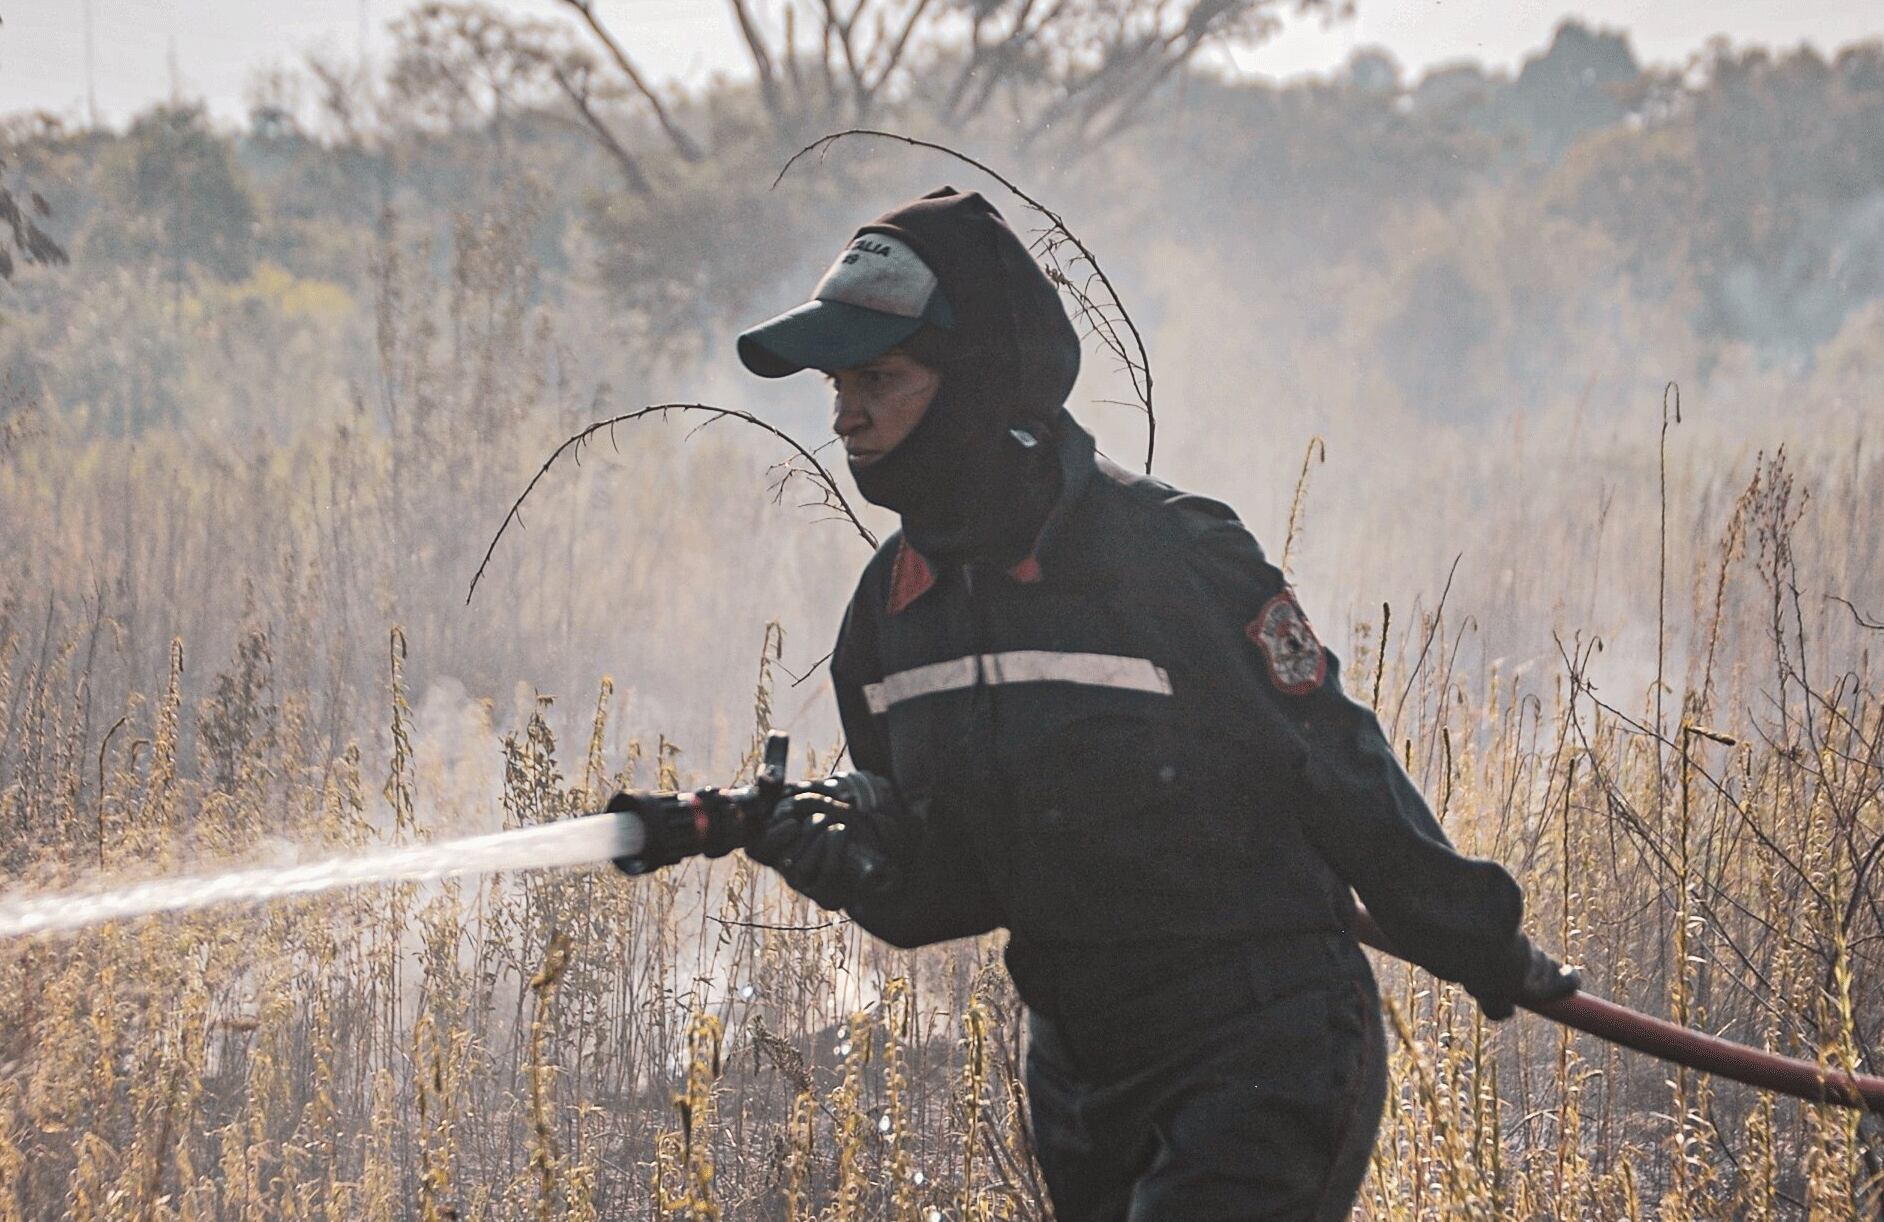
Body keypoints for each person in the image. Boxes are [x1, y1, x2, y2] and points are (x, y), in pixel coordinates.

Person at [731, 187, 1578, 1220]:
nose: (842, 413)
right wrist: (852, 863)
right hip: (1081, 1072)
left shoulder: (1174, 558)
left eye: (878, 376)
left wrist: (1480, 937)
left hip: (1261, 1047)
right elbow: (957, 883)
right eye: (835, 382)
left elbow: (1338, 768)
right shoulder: (890, 619)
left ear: (978, 383)